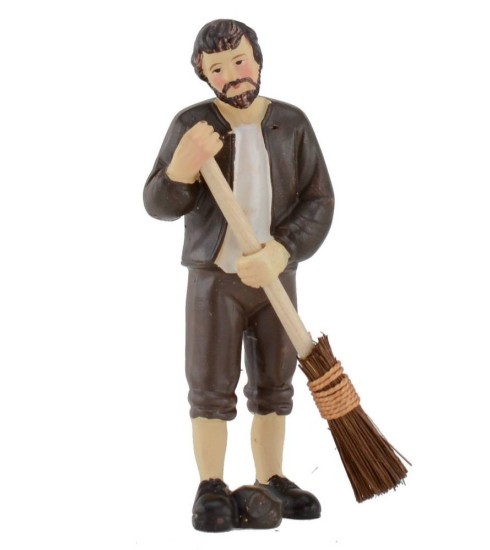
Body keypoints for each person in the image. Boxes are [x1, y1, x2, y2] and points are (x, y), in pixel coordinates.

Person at [144, 19, 334, 532]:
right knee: (210, 384)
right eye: (218, 69)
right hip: (215, 281)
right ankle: (211, 484)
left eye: (240, 61)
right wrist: (181, 168)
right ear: (204, 75)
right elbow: (157, 202)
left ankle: (271, 476)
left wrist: (284, 249)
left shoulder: (291, 123)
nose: (232, 75)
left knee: (275, 382)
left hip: (275, 276)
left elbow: (319, 200)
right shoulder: (191, 125)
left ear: (258, 59)